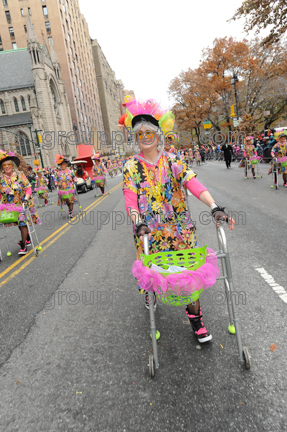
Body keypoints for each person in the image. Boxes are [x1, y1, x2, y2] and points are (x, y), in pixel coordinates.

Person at [122, 99, 235, 343]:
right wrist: (137, 222)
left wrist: (214, 206)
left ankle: (196, 321)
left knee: (188, 275)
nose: (145, 137)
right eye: (140, 133)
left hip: (180, 230)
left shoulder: (173, 160)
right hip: (149, 233)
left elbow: (192, 183)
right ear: (135, 137)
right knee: (154, 274)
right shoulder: (131, 166)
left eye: (149, 132)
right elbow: (130, 199)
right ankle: (151, 298)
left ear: (158, 134)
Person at [0, 150, 40, 255]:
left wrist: (26, 198)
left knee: (22, 223)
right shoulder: (1, 179)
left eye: (9, 164)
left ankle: (23, 245)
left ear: (13, 165)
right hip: (9, 206)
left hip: (22, 204)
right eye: (4, 165)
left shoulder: (20, 176)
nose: (7, 166)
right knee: (18, 223)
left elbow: (28, 188)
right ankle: (27, 237)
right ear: (2, 167)